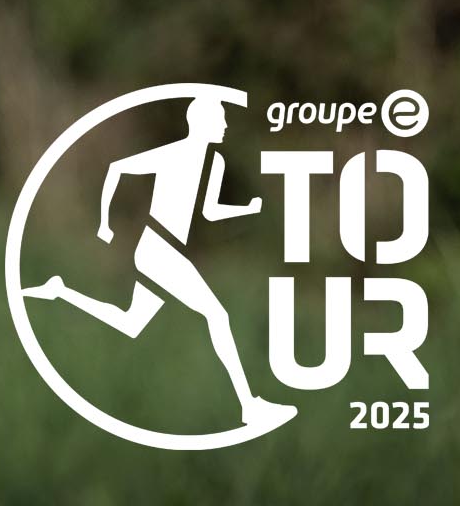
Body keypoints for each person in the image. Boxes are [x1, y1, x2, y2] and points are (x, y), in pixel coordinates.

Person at [22, 96, 298, 432]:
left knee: (130, 323)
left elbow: (210, 211)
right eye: (220, 119)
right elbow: (117, 168)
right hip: (158, 248)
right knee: (218, 315)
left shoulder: (214, 163)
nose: (226, 125)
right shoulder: (173, 154)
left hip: (169, 251)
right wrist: (105, 223)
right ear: (202, 123)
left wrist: (246, 209)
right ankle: (249, 406)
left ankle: (61, 291)